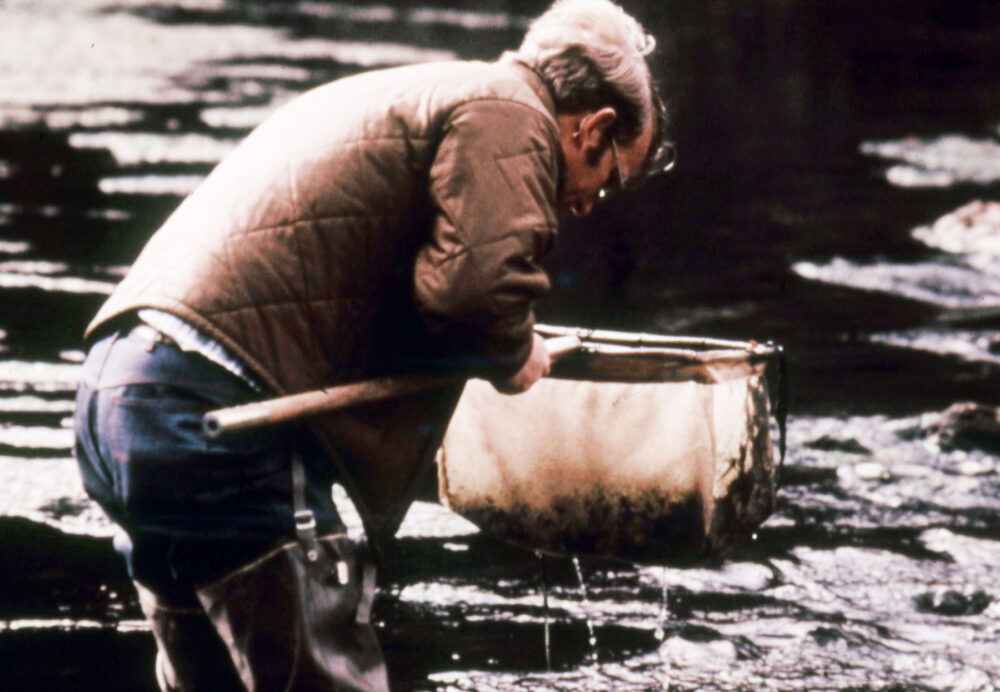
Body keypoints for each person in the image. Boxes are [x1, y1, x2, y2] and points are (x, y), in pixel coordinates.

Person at [73, 0, 668, 689]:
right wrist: (514, 353)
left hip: (119, 398)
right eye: (611, 177)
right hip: (212, 420)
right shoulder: (513, 113)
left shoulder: (418, 89)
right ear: (592, 126)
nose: (591, 204)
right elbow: (474, 295)